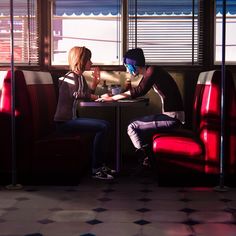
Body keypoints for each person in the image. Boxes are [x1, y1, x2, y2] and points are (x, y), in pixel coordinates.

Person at [98, 48, 185, 167]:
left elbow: (139, 91)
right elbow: (138, 90)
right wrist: (115, 96)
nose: (127, 70)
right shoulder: (150, 71)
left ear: (134, 65)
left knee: (132, 127)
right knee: (133, 124)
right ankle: (148, 158)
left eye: (128, 66)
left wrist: (113, 98)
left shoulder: (152, 71)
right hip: (171, 116)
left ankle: (147, 160)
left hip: (173, 118)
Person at [54, 46, 115, 180]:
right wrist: (99, 97)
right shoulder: (69, 77)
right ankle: (96, 169)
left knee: (106, 125)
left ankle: (100, 165)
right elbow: (77, 94)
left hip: (72, 120)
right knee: (103, 126)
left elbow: (87, 95)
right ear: (81, 60)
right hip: (64, 123)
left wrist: (95, 82)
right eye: (89, 60)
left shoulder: (80, 77)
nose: (91, 63)